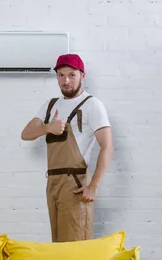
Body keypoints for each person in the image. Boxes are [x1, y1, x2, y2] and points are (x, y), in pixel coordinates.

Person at [21, 54, 113, 242]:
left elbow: (107, 146)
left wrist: (94, 185)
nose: (66, 80)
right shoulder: (51, 105)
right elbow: (26, 133)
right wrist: (48, 128)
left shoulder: (92, 105)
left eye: (72, 75)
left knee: (75, 244)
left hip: (75, 184)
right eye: (61, 76)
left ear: (82, 76)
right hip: (53, 182)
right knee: (58, 244)